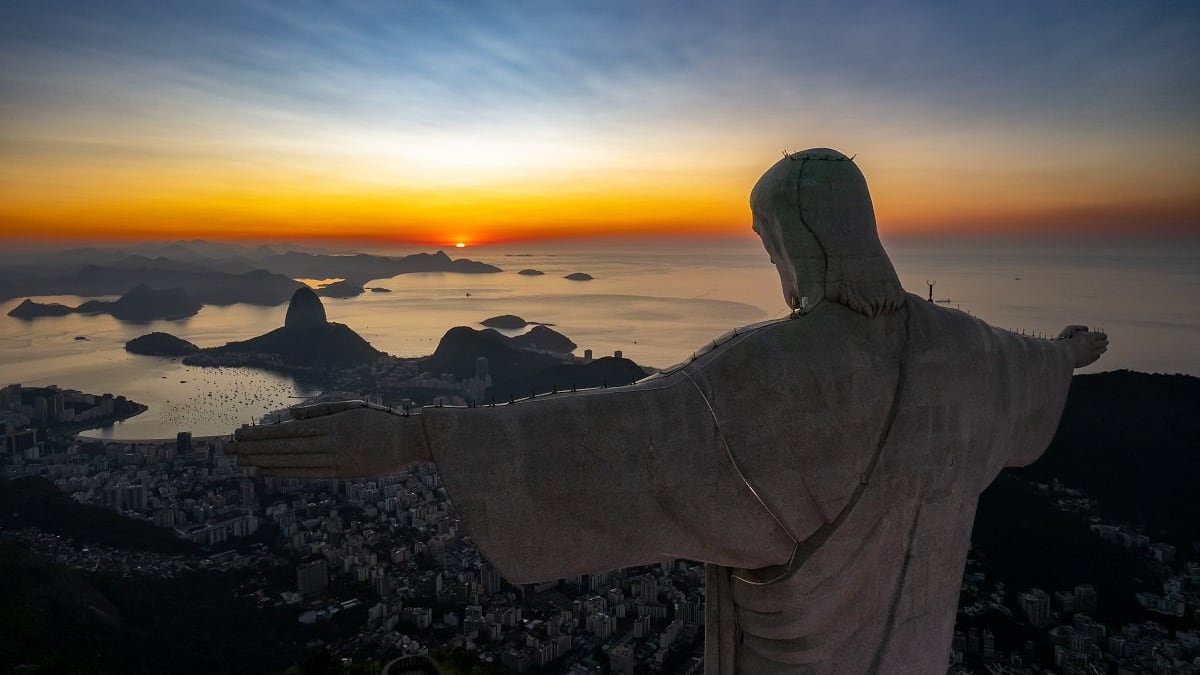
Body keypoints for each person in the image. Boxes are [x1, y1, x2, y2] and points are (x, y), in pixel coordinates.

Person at [232, 148, 1108, 674]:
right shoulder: (971, 351)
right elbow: (1031, 365)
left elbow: (622, 435)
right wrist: (1068, 349)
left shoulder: (766, 378)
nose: (777, 268)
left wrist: (412, 436)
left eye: (771, 246)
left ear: (798, 243)